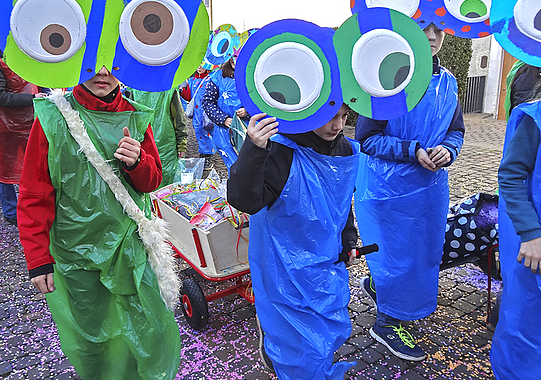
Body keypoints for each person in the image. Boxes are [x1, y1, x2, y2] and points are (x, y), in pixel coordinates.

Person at [17, 65, 181, 380]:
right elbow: (35, 192)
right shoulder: (54, 119)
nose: (102, 72)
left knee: (149, 329)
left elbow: (151, 182)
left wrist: (138, 161)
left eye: (111, 62)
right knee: (94, 336)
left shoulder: (135, 116)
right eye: (92, 62)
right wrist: (38, 258)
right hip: (77, 254)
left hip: (131, 250)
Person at [354, 23, 465, 361]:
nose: (431, 36)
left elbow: (456, 130)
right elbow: (367, 138)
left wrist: (449, 148)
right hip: (387, 190)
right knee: (395, 255)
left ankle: (379, 287)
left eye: (438, 29)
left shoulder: (449, 83)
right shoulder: (385, 81)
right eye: (422, 28)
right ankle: (386, 324)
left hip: (429, 190)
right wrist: (412, 149)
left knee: (420, 254)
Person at [228, 105, 359, 379]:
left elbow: (341, 200)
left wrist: (348, 240)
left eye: (344, 117)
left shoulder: (344, 150)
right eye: (330, 117)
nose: (338, 126)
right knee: (295, 343)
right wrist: (253, 150)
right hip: (283, 265)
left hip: (324, 261)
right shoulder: (281, 152)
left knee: (324, 332)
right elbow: (245, 199)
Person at [490, 81, 541, 380]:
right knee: (526, 316)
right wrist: (530, 232)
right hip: (535, 244)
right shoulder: (535, 118)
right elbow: (511, 174)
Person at [0, 34, 43, 225]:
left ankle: (33, 207)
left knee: (34, 166)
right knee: (7, 167)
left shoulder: (23, 60)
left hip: (28, 123)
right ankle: (11, 212)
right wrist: (36, 99)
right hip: (6, 126)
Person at [125, 87, 188, 188]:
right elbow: (179, 118)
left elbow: (130, 118)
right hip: (164, 143)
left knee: (150, 178)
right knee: (167, 184)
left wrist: (181, 143)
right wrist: (181, 143)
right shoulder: (169, 90)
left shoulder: (134, 90)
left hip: (147, 142)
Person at [202, 56, 249, 170]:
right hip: (224, 132)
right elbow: (208, 102)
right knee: (233, 167)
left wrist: (247, 112)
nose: (234, 60)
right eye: (232, 56)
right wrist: (224, 119)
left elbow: (261, 104)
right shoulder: (218, 77)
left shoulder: (252, 77)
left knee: (249, 166)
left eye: (238, 55)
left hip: (248, 129)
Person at [187, 66, 215, 167]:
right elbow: (189, 96)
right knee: (199, 133)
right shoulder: (192, 80)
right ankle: (203, 154)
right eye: (198, 65)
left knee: (208, 133)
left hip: (207, 113)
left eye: (202, 65)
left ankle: (208, 157)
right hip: (196, 115)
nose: (199, 67)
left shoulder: (211, 78)